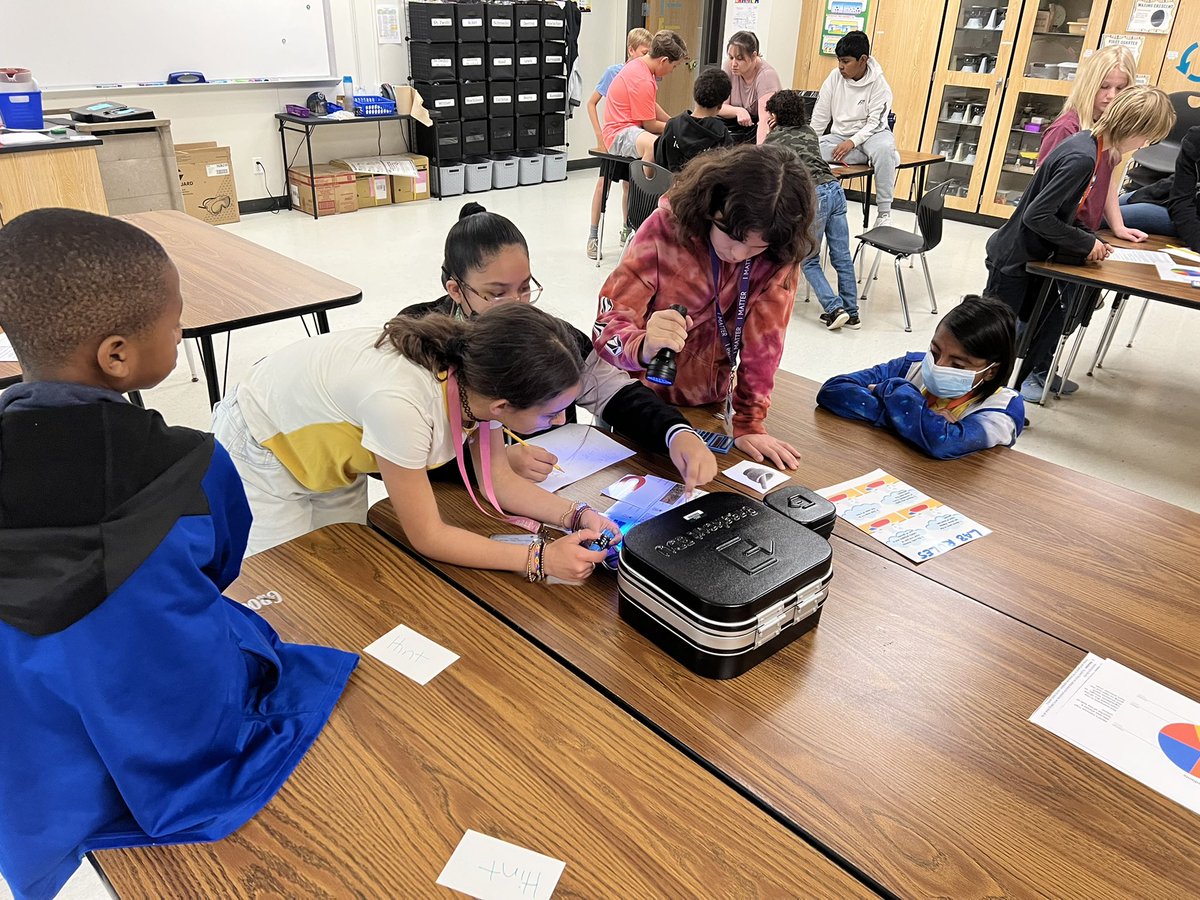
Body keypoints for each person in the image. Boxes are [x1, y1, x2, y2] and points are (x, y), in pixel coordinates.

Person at [0, 209, 356, 900]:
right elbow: (219, 569)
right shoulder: (193, 466)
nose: (182, 334)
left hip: (27, 737)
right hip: (165, 726)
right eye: (175, 322)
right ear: (116, 356)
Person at [212, 303, 621, 578]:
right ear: (502, 406)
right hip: (262, 446)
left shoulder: (481, 379)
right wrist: (540, 558)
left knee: (342, 562)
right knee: (281, 579)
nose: (558, 422)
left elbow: (499, 481)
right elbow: (428, 536)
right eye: (551, 413)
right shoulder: (404, 406)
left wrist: (577, 515)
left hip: (327, 450)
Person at [400, 202, 717, 491]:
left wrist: (675, 432)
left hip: (556, 484)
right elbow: (394, 452)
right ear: (456, 290)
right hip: (458, 496)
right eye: (497, 293)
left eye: (525, 287)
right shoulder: (419, 343)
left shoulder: (552, 338)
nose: (518, 303)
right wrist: (493, 463)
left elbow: (615, 393)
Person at [592, 143, 816, 470]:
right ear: (711, 206)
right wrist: (643, 345)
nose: (738, 254)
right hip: (634, 400)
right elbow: (606, 325)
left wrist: (749, 423)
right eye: (731, 235)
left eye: (755, 246)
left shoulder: (777, 256)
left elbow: (765, 347)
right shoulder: (666, 229)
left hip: (707, 405)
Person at [984, 86, 1175, 397]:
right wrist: (1085, 243)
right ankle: (979, 398)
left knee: (1048, 321)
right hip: (1013, 259)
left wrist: (1089, 237)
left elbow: (1065, 211)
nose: (1143, 146)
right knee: (992, 338)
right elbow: (1038, 216)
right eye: (1146, 138)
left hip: (1033, 255)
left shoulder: (1093, 148)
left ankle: (1010, 395)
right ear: (1132, 127)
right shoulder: (1082, 157)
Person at [816, 295, 1024, 459]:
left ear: (990, 371)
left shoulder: (1002, 408)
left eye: (957, 365)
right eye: (935, 352)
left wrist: (891, 393)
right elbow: (834, 390)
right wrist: (918, 420)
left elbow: (942, 443)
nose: (938, 365)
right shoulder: (912, 366)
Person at [764, 89, 859, 330]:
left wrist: (772, 131)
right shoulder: (809, 131)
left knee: (808, 258)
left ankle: (834, 309)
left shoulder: (774, 139)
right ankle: (852, 311)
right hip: (835, 190)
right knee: (841, 255)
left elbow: (768, 166)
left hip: (814, 196)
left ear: (776, 115)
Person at [1037, 46, 1141, 242]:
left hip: (1085, 230)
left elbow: (1106, 179)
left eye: (1120, 89)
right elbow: (1042, 194)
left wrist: (1118, 226)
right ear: (1089, 85)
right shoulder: (1066, 129)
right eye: (1104, 86)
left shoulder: (1106, 129)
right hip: (1059, 234)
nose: (1112, 95)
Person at [810, 30, 899, 227]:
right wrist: (809, 142)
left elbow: (875, 123)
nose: (840, 66)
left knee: (883, 148)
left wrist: (852, 142)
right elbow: (820, 115)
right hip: (840, 136)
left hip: (874, 134)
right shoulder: (834, 78)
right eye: (839, 61)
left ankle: (884, 214)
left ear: (863, 60)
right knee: (812, 150)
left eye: (846, 61)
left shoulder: (880, 85)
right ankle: (874, 158)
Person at [587, 27, 653, 259]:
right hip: (617, 138)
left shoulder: (647, 74)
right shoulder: (614, 72)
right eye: (643, 52)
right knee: (602, 185)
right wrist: (600, 135)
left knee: (630, 186)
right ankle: (593, 236)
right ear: (631, 50)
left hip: (634, 137)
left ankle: (628, 228)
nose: (646, 57)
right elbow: (591, 103)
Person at [602, 29, 688, 163]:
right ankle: (643, 178)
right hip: (619, 134)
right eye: (674, 66)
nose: (672, 71)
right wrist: (676, 128)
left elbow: (651, 105)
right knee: (654, 146)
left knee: (671, 140)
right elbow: (650, 125)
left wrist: (673, 122)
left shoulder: (641, 66)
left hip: (630, 129)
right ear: (664, 61)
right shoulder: (643, 79)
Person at [1120, 125, 1200, 248]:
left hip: (1190, 217)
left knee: (1104, 217)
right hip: (1168, 193)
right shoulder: (1196, 138)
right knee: (1100, 207)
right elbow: (1181, 196)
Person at [654, 66, 734, 172]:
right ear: (720, 105)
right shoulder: (721, 134)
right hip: (705, 183)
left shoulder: (672, 126)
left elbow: (659, 164)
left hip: (672, 182)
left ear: (695, 94)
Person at [719, 31, 782, 145]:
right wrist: (738, 111)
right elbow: (719, 107)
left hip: (758, 127)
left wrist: (759, 152)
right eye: (731, 57)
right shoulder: (728, 66)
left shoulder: (766, 76)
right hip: (735, 125)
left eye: (739, 59)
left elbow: (765, 120)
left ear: (754, 56)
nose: (733, 63)